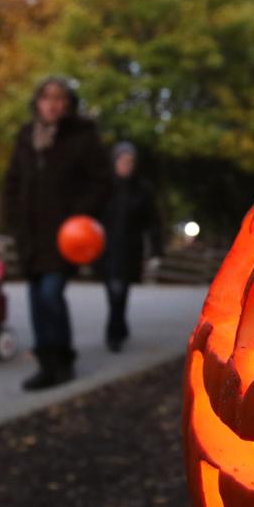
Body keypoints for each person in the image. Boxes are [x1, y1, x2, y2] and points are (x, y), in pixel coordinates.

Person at [4, 77, 111, 391]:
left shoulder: (83, 137)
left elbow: (102, 183)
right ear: (37, 102)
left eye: (59, 98)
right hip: (31, 235)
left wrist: (78, 214)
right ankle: (46, 364)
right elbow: (12, 181)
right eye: (46, 97)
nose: (52, 103)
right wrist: (14, 219)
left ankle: (62, 359)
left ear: (68, 104)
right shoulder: (27, 136)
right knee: (36, 297)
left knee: (51, 293)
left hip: (66, 235)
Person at [100, 142, 163, 352]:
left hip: (129, 249)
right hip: (106, 249)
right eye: (122, 160)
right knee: (112, 291)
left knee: (121, 290)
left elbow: (153, 220)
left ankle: (114, 333)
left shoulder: (142, 190)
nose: (126, 165)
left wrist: (156, 249)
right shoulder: (104, 188)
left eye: (130, 161)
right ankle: (118, 326)